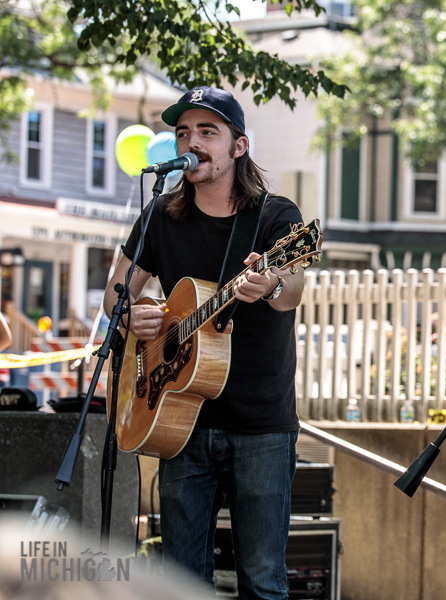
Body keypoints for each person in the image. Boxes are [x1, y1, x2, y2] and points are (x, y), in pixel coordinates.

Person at [103, 86, 305, 600]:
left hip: (260, 424)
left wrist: (272, 285)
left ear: (238, 146)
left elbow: (294, 291)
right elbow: (115, 293)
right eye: (183, 132)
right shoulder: (161, 217)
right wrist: (134, 319)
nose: (192, 142)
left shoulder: (274, 217)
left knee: (263, 583)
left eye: (207, 132)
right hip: (178, 419)